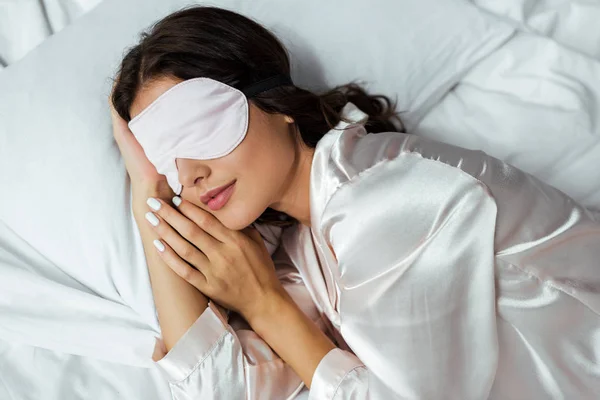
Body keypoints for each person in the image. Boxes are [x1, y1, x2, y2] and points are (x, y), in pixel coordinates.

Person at [108, 5, 600, 400]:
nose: (189, 173)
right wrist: (145, 195)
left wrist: (264, 305)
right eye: (164, 159)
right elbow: (215, 390)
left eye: (195, 129)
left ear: (275, 101)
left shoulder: (387, 193)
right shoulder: (303, 244)